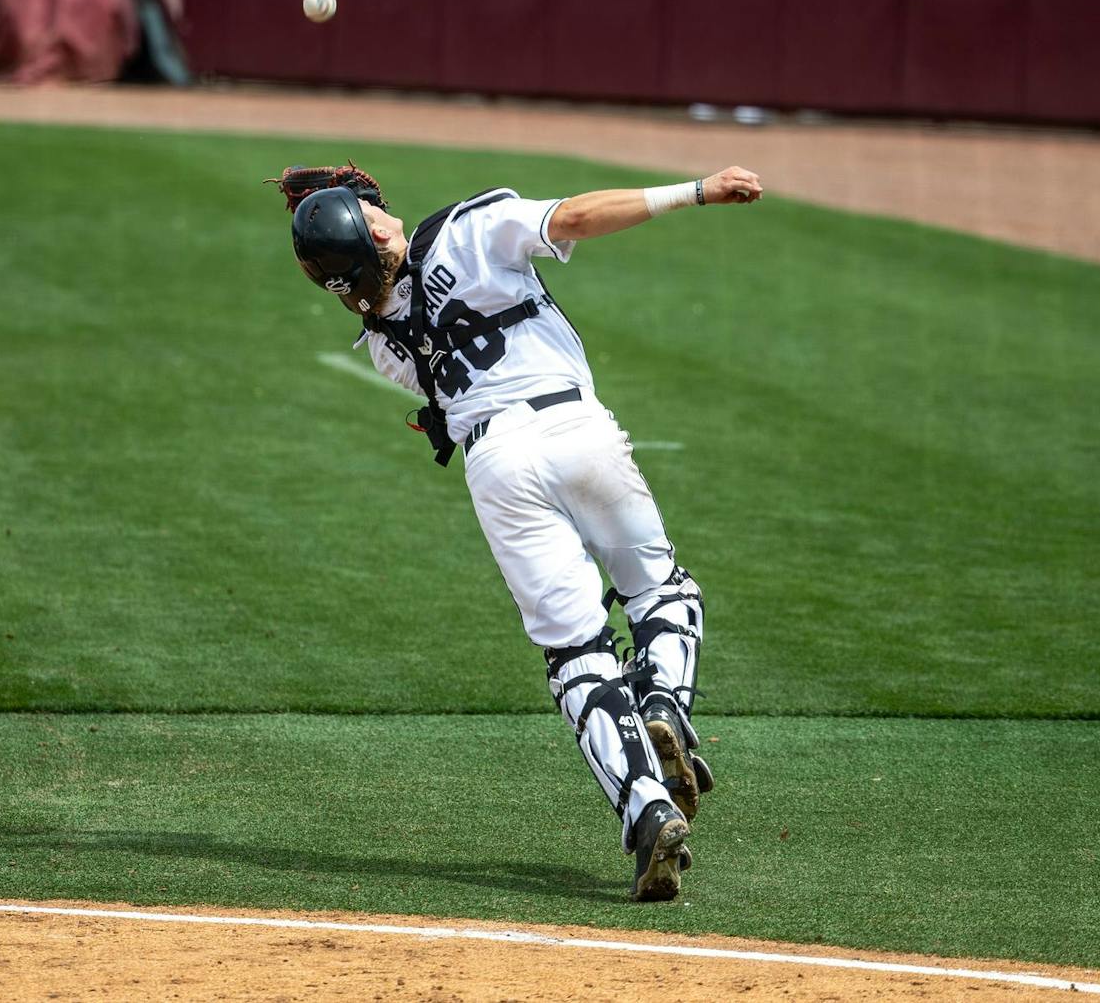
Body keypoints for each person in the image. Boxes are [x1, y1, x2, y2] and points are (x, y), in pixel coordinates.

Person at [267, 161, 763, 900]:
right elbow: (577, 217)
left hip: (496, 465)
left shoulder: (383, 345)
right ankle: (663, 703)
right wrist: (693, 191)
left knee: (574, 653)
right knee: (660, 589)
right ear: (373, 227)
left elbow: (390, 309)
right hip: (575, 427)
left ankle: (647, 808)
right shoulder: (468, 228)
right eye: (370, 211)